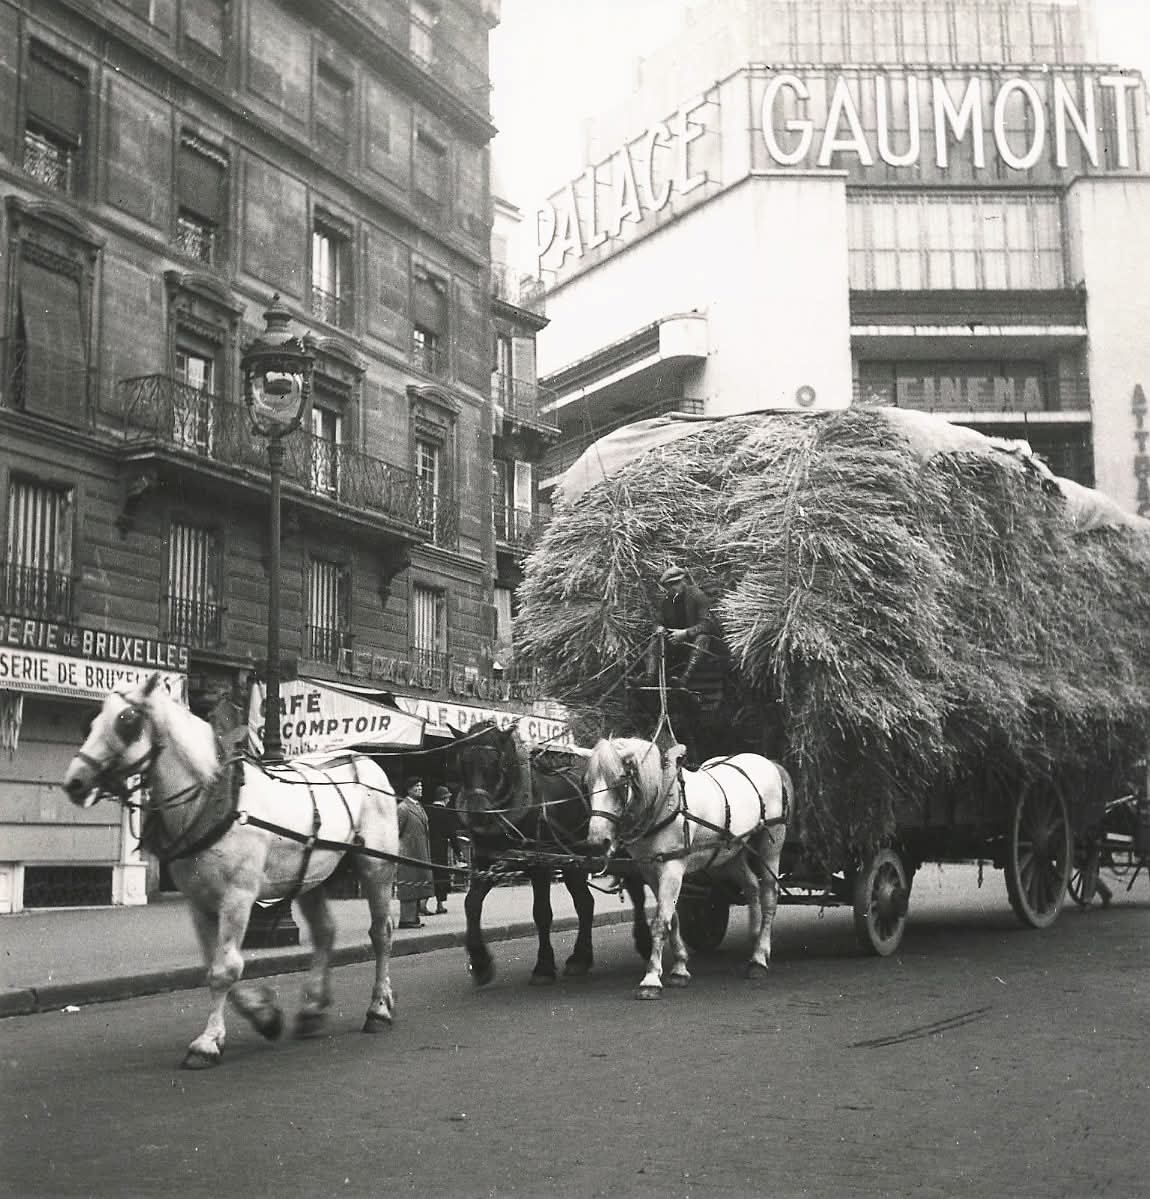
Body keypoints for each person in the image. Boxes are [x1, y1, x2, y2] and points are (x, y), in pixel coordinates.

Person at [646, 564, 715, 687]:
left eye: (676, 583)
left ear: (684, 581)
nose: (674, 588)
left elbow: (708, 624)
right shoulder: (666, 601)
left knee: (702, 638)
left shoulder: (697, 596)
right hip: (676, 644)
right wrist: (659, 628)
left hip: (696, 643)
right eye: (670, 585)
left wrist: (685, 633)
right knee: (656, 638)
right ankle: (650, 678)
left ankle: (685, 678)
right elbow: (657, 622)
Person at [395, 778, 434, 928]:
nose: (420, 788)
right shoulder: (403, 808)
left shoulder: (419, 807)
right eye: (417, 786)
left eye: (421, 786)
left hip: (420, 851)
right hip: (409, 853)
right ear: (409, 789)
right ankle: (406, 919)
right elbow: (396, 832)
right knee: (409, 885)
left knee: (418, 884)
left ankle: (414, 917)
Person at [426, 785, 462, 915]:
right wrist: (459, 853)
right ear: (444, 799)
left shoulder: (428, 810)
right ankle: (439, 905)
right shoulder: (446, 813)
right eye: (448, 798)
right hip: (441, 848)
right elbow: (451, 834)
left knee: (428, 874)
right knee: (441, 875)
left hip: (427, 846)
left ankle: (422, 904)